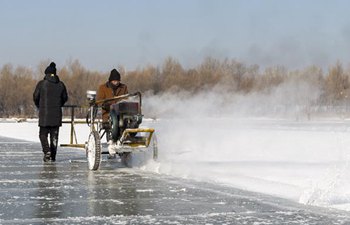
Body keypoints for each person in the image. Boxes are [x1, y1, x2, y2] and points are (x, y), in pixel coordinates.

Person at [33, 62, 68, 162]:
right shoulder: (61, 85)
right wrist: (59, 105)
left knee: (43, 134)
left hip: (44, 114)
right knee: (54, 136)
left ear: (46, 74)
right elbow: (65, 98)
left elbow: (35, 96)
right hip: (56, 114)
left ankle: (46, 151)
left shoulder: (41, 84)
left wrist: (39, 106)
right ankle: (53, 156)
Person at [96, 68, 128, 141]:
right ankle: (114, 139)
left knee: (129, 120)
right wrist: (106, 105)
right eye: (114, 81)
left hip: (122, 113)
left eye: (118, 81)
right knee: (115, 120)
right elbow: (99, 100)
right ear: (110, 80)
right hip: (108, 113)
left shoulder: (123, 87)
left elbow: (126, 98)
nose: (116, 83)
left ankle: (127, 137)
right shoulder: (103, 88)